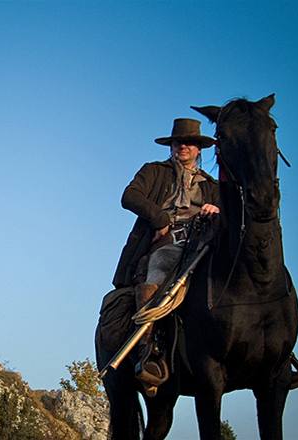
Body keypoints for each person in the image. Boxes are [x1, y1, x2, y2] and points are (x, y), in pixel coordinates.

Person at [112, 118, 220, 394]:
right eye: (178, 141)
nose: (183, 145)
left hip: (205, 241)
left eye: (189, 142)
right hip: (169, 239)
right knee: (159, 269)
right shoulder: (154, 172)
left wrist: (215, 210)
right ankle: (148, 351)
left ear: (199, 149)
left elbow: (229, 215)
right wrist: (160, 219)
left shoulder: (212, 187)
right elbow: (130, 196)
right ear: (171, 145)